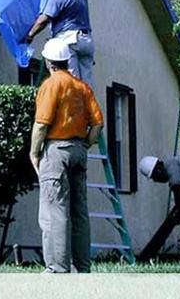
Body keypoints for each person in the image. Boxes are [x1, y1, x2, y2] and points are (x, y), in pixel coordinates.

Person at [30, 38, 104, 273]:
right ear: (66, 61)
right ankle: (82, 267)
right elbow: (98, 125)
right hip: (78, 151)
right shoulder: (82, 87)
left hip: (56, 151)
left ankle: (57, 268)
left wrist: (34, 154)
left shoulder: (51, 85)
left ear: (50, 61)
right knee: (79, 211)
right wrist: (85, 145)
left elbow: (41, 125)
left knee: (55, 210)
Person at [23, 0, 94, 86]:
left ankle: (73, 106)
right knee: (86, 85)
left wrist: (30, 35)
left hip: (69, 40)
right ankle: (87, 106)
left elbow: (44, 19)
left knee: (70, 83)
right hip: (86, 40)